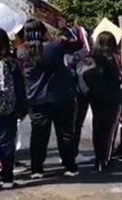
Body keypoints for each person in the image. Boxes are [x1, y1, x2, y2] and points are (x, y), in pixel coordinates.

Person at [17, 19, 82, 178]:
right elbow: (78, 43)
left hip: (36, 99)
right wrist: (64, 27)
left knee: (38, 135)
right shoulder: (56, 46)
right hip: (62, 97)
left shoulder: (21, 51)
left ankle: (37, 169)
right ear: (43, 32)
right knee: (66, 133)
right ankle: (70, 166)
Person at [79, 31, 122, 171]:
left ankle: (99, 158)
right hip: (112, 97)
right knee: (109, 130)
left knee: (97, 127)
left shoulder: (91, 57)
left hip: (95, 97)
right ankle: (105, 159)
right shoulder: (114, 58)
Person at [0, 28, 28, 189]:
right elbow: (20, 88)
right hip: (7, 106)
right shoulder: (11, 63)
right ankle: (7, 178)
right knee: (6, 140)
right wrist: (22, 110)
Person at [61, 25, 92, 164]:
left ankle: (67, 154)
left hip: (64, 92)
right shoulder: (74, 54)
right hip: (76, 91)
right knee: (75, 124)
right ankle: (72, 153)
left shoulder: (56, 51)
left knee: (66, 125)